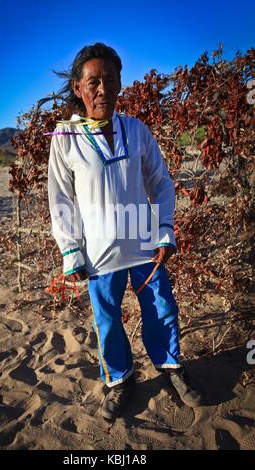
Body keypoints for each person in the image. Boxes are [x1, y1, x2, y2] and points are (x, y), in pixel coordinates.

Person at [48, 42, 202, 420]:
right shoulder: (65, 137)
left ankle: (170, 369)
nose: (103, 89)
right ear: (78, 88)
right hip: (99, 253)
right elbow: (60, 198)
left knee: (162, 309)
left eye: (111, 80)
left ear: (120, 84)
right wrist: (71, 252)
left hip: (145, 244)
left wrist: (165, 228)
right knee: (108, 318)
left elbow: (161, 183)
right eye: (93, 82)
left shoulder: (136, 130)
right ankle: (120, 379)